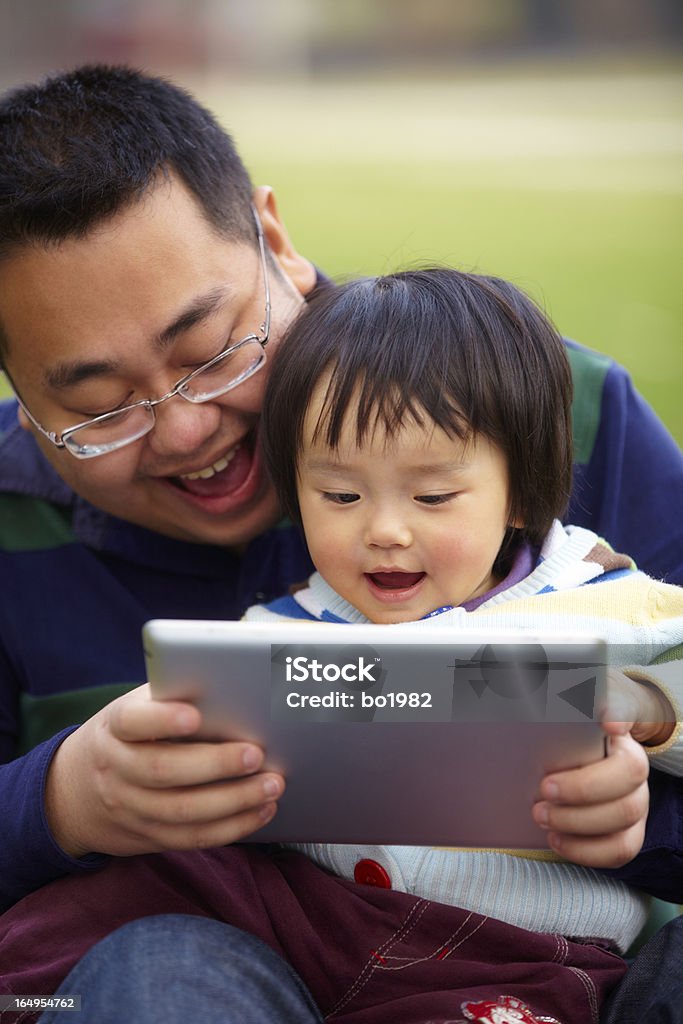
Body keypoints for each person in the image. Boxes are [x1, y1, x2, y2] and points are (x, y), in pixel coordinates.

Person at [0, 63, 680, 1023]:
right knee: (153, 967)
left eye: (212, 349)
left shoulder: (552, 409)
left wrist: (636, 817)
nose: (186, 431)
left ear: (272, 240)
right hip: (223, 971)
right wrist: (59, 802)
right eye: (99, 406)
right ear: (24, 395)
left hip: (565, 978)